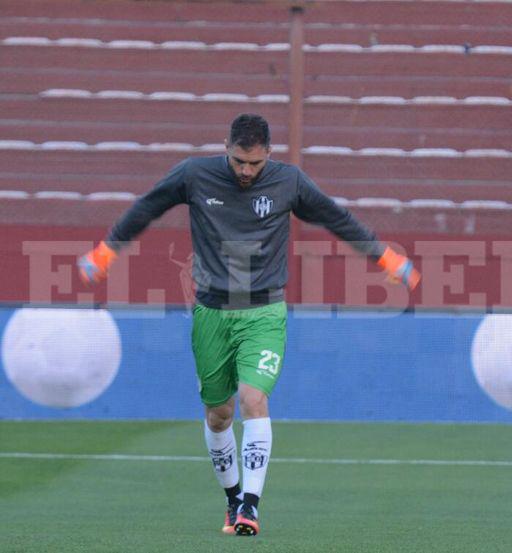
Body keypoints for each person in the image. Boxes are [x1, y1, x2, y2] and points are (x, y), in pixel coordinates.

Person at [77, 114, 420, 537]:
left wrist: (384, 257)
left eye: (254, 164)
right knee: (219, 415)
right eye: (239, 161)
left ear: (268, 155)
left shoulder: (288, 182)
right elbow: (148, 206)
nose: (245, 171)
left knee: (253, 398)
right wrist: (107, 251)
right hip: (211, 313)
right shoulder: (194, 175)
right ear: (226, 147)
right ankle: (232, 498)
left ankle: (251, 508)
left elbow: (335, 217)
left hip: (264, 312)